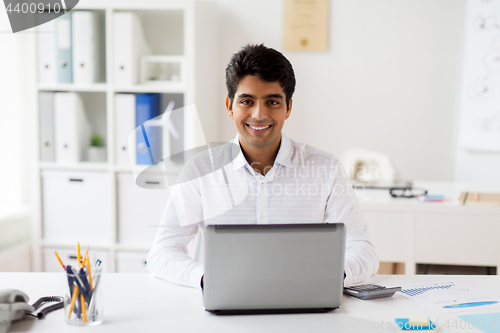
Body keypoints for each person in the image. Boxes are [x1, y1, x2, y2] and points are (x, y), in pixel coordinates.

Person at [147, 44, 379, 288]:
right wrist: (207, 279)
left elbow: (362, 249)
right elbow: (162, 252)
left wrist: (329, 277)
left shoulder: (325, 168)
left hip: (303, 307)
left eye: (272, 102)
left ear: (288, 108)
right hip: (223, 313)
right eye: (247, 101)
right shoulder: (201, 170)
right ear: (230, 106)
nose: (259, 114)